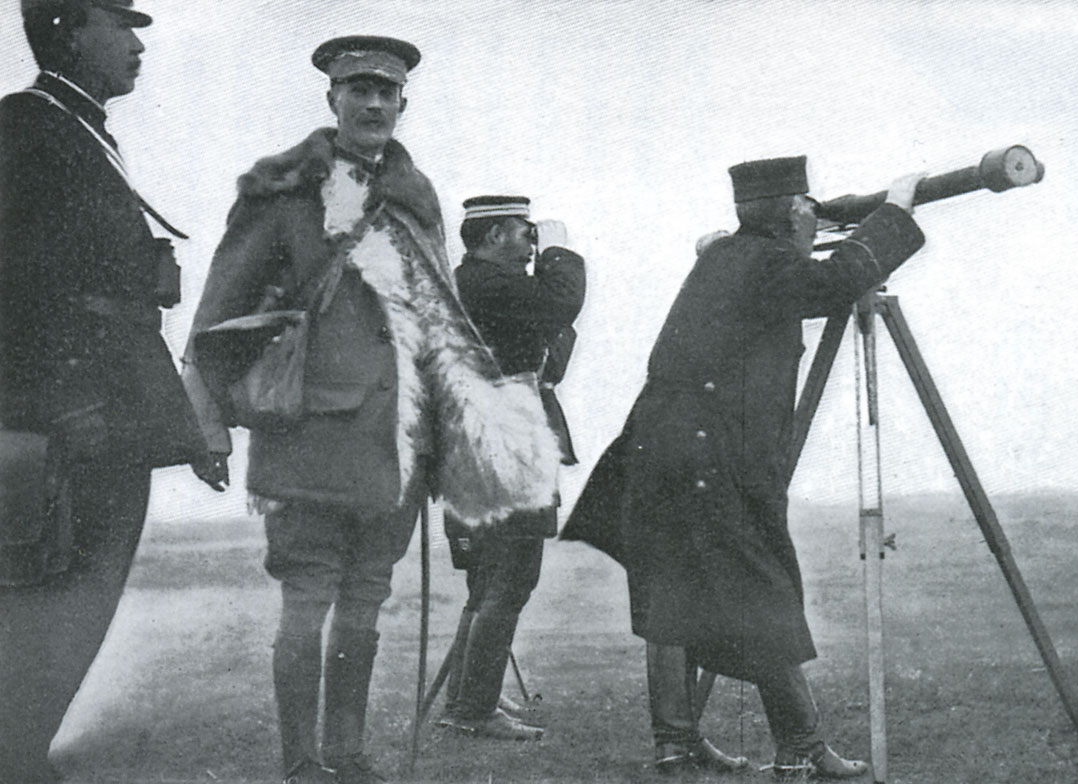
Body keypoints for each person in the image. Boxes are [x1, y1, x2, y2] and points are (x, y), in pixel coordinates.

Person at [180, 38, 561, 784]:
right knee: (306, 596)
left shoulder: (416, 201)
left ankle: (348, 759)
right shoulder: (283, 194)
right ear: (332, 99)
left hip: (396, 444)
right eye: (358, 89)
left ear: (402, 104)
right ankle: (302, 765)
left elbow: (440, 323)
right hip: (307, 436)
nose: (373, 104)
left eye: (386, 93)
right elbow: (217, 311)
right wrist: (206, 424)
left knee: (365, 599)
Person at [561, 156, 925, 777]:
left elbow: (800, 278)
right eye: (807, 209)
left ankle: (675, 743)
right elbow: (834, 282)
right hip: (708, 456)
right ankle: (800, 747)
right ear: (791, 213)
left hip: (660, 448)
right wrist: (895, 210)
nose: (812, 218)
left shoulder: (729, 256)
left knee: (672, 591)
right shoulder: (766, 262)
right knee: (762, 591)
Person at [0, 2, 206, 782]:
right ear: (66, 32)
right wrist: (60, 407)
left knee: (78, 609)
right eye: (117, 24)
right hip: (75, 422)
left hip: (110, 412)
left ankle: (22, 755)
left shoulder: (76, 127)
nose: (135, 41)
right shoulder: (28, 126)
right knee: (52, 609)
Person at [438, 196, 585, 740]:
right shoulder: (489, 285)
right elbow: (561, 304)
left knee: (487, 579)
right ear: (496, 235)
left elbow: (551, 341)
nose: (531, 246)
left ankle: (468, 696)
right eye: (525, 234)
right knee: (513, 574)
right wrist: (561, 251)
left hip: (481, 436)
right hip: (508, 438)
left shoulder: (470, 283)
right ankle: (474, 709)